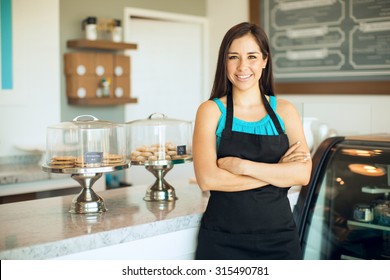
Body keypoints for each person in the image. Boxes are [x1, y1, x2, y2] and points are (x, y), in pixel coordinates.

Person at [192, 22, 312, 260]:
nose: (242, 66)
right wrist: (278, 173)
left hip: (279, 239)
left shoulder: (285, 111)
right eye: (233, 57)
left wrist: (242, 167)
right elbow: (207, 180)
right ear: (224, 61)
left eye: (252, 56)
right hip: (222, 240)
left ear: (265, 60)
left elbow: (302, 175)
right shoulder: (211, 111)